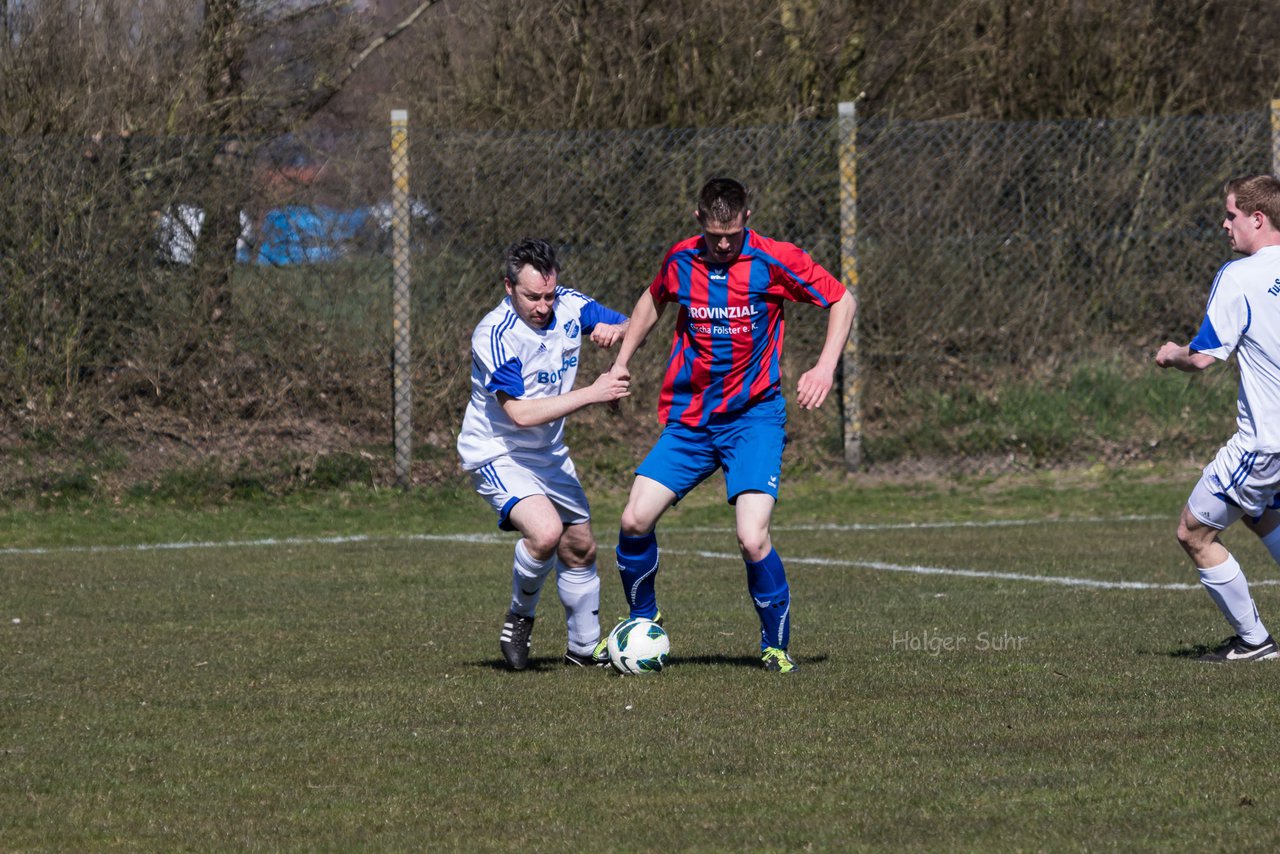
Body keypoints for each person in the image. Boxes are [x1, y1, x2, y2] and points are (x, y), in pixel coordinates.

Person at [604, 177, 856, 673]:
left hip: (754, 419)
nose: (723, 244)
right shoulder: (680, 260)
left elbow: (841, 300)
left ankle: (775, 646)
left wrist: (825, 366)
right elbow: (653, 299)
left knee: (751, 536)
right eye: (716, 234)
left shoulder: (773, 259)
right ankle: (642, 621)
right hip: (693, 420)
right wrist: (622, 360)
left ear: (747, 220)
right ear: (699, 219)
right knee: (634, 519)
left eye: (732, 234)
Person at [457, 238, 630, 670]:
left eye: (549, 295)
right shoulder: (494, 335)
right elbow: (518, 414)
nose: (543, 305)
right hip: (499, 451)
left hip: (549, 453)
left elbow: (634, 321)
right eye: (532, 296)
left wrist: (619, 334)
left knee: (581, 547)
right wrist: (593, 392)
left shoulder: (569, 306)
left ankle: (584, 650)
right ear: (508, 286)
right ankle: (519, 617)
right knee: (546, 532)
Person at [1156, 174, 1280, 662]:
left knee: (1193, 532)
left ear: (1257, 218)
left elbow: (1204, 356)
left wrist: (1171, 355)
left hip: (1265, 443)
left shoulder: (1240, 275)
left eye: (1231, 215)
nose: (1224, 225)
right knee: (1263, 513)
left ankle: (1253, 642)